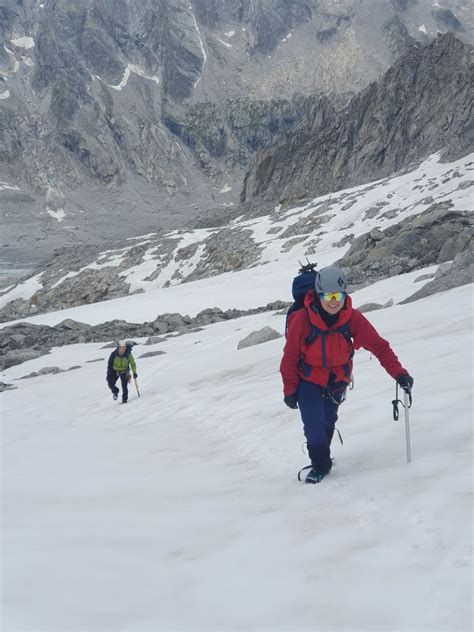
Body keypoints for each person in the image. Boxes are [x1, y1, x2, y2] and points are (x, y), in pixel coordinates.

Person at [280, 265, 414, 484]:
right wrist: (290, 390)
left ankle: (323, 457)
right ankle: (320, 465)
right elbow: (290, 358)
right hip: (308, 381)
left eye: (338, 296)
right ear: (318, 294)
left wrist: (400, 374)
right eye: (328, 296)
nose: (333, 301)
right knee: (314, 427)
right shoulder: (301, 320)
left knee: (328, 422)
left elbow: (380, 347)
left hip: (337, 382)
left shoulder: (352, 319)